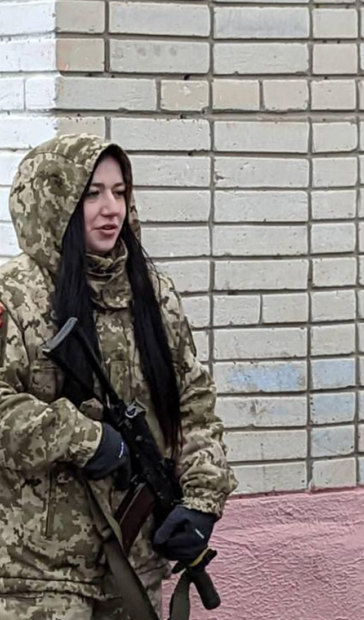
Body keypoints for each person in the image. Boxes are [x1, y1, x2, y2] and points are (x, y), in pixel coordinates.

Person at [0, 134, 237, 618]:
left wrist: (200, 499)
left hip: (135, 567)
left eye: (120, 191)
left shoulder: (152, 293)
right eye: (92, 193)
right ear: (55, 199)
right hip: (37, 572)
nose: (112, 209)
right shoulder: (15, 297)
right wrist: (84, 438)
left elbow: (193, 404)